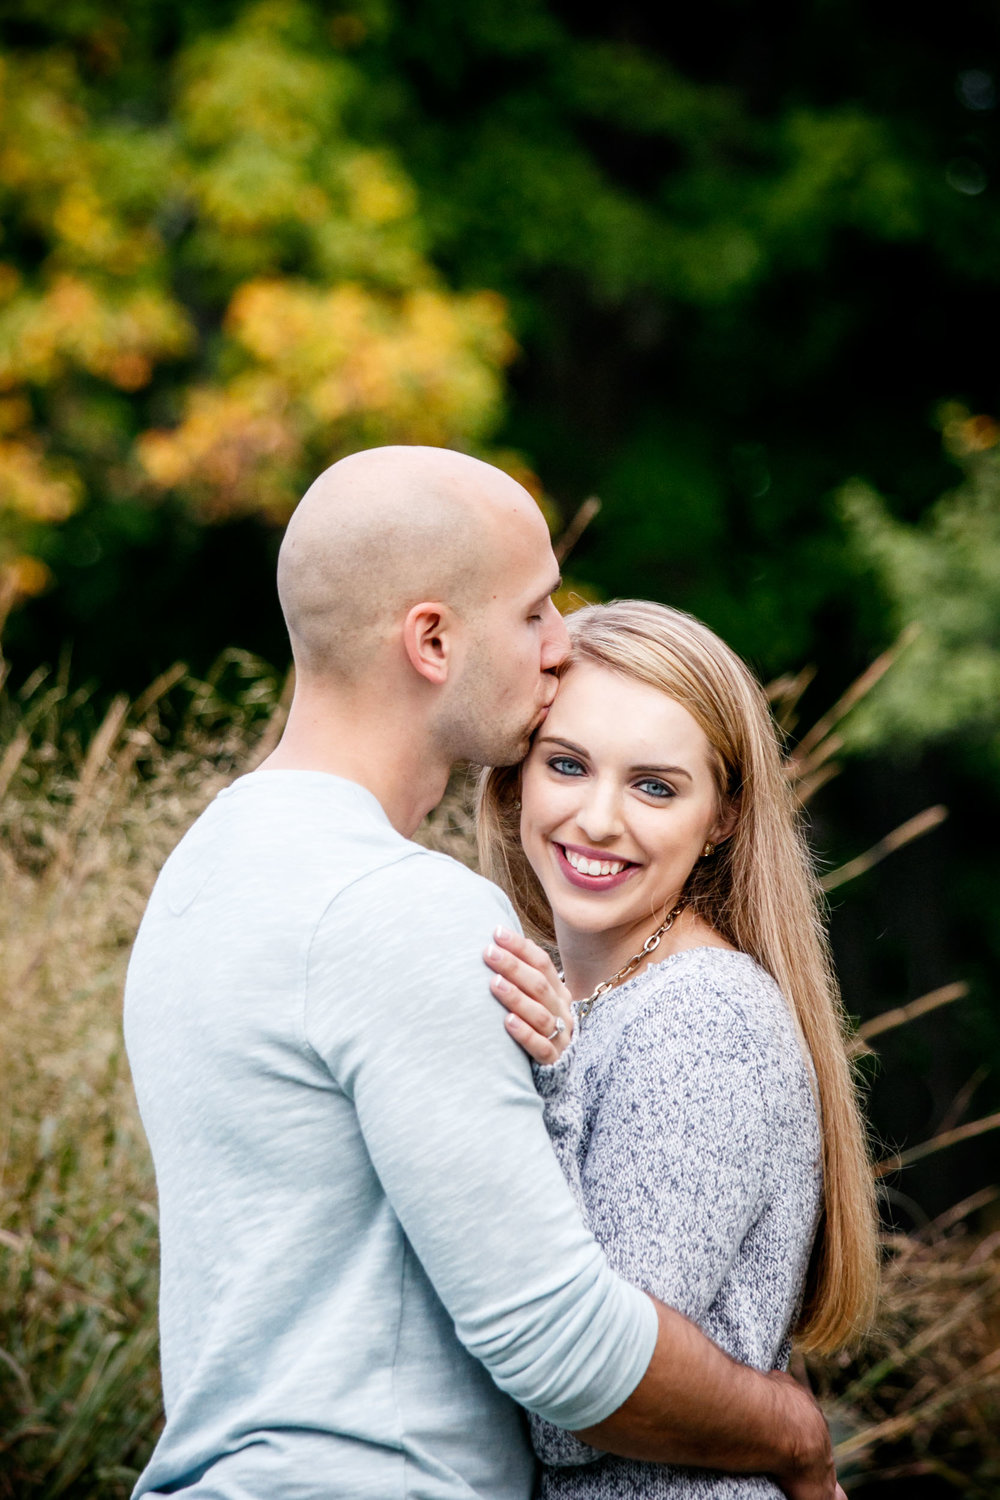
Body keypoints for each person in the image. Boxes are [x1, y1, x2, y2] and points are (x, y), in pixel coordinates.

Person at [124, 446, 845, 1500]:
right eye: (536, 612)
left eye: (653, 784)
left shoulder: (204, 873)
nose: (561, 648)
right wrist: (796, 1433)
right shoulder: (406, 909)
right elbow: (566, 1355)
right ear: (430, 639)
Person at [478, 599, 880, 1498]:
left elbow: (579, 1399)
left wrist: (547, 1085)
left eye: (655, 786)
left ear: (723, 817)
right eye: (568, 765)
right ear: (514, 780)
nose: (598, 819)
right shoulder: (577, 995)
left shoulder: (706, 1019)